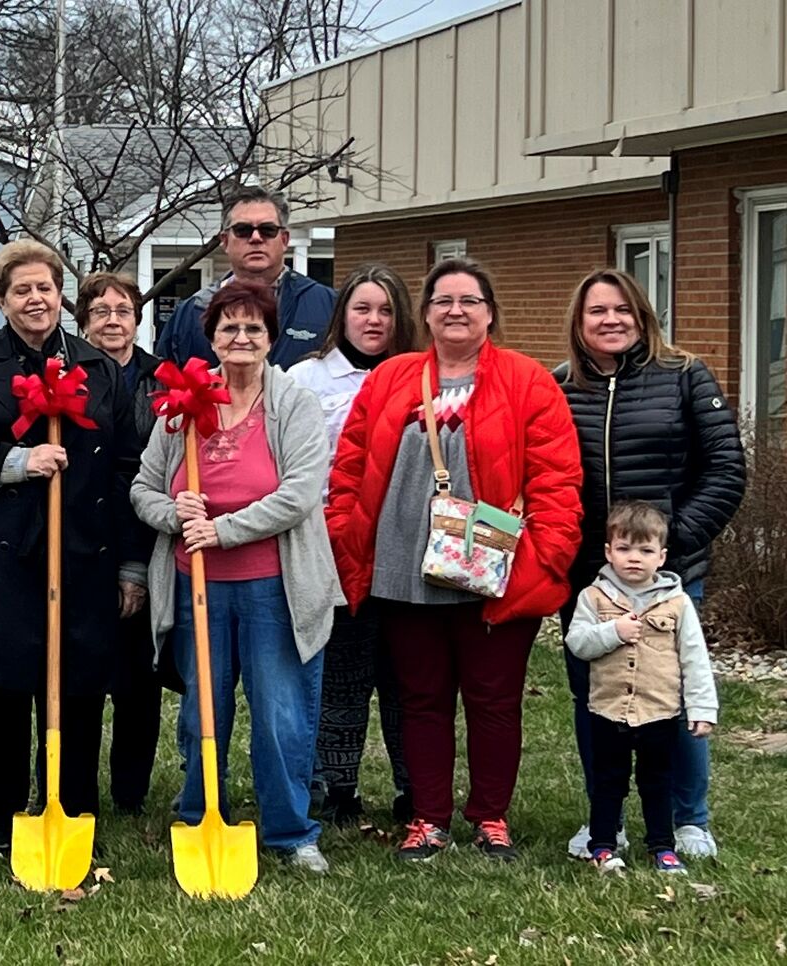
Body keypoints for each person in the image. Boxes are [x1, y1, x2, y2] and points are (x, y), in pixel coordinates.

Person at [326, 257, 583, 863]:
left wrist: (538, 562)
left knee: (494, 701)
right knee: (421, 698)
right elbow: (350, 467)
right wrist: (348, 534)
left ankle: (491, 815)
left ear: (489, 312)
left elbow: (557, 482)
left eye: (469, 300)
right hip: (403, 569)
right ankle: (429, 818)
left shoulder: (527, 382)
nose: (455, 311)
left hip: (494, 573)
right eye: (443, 300)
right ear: (428, 313)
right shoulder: (391, 378)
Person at [0, 239, 143, 856]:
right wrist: (14, 462)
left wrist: (130, 563)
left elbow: (128, 464)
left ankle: (70, 809)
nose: (35, 299)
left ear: (60, 297)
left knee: (75, 689)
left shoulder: (98, 370)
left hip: (81, 553)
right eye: (20, 290)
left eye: (44, 287)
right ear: (1, 301)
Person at [130, 278, 343, 872]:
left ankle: (291, 831)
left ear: (272, 338)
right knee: (203, 707)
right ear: (212, 338)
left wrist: (222, 531)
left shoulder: (293, 402)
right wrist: (174, 515)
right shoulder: (183, 406)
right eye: (230, 327)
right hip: (195, 586)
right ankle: (199, 813)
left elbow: (301, 492)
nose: (242, 337)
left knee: (279, 711)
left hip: (273, 583)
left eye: (254, 328)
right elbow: (143, 487)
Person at [554, 268, 746, 861]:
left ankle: (690, 819)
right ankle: (603, 822)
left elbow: (726, 468)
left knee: (676, 693)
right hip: (588, 576)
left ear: (642, 316)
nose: (611, 321)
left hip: (669, 574)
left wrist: (674, 541)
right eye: (597, 312)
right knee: (595, 695)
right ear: (578, 323)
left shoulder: (684, 375)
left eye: (622, 310)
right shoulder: (558, 386)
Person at [288, 264, 421, 826]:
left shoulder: (421, 376)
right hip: (333, 541)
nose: (374, 321)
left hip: (409, 549)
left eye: (386, 310)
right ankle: (336, 784)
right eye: (362, 308)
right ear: (342, 315)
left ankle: (415, 788)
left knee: (406, 674)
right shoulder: (306, 379)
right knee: (341, 668)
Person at [564, 502, 718, 875]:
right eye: (624, 549)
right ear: (608, 552)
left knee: (656, 782)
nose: (634, 559)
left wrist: (701, 708)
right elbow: (577, 642)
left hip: (659, 711)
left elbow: (695, 660)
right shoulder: (593, 598)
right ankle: (603, 845)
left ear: (662, 556)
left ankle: (662, 847)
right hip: (608, 710)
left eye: (645, 550)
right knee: (608, 781)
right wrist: (612, 632)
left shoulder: (678, 603)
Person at [75, 270, 166, 813]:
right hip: (83, 543)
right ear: (84, 321)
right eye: (101, 311)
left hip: (146, 536)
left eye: (123, 310)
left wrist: (134, 564)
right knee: (81, 676)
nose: (113, 320)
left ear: (137, 317)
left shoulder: (163, 381)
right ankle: (75, 790)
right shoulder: (67, 377)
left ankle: (130, 792)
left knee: (139, 681)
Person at [155, 186, 335, 369]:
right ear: (224, 241)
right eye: (243, 230)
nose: (256, 238)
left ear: (284, 240)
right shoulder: (191, 313)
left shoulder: (328, 307)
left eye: (267, 229)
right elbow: (165, 384)